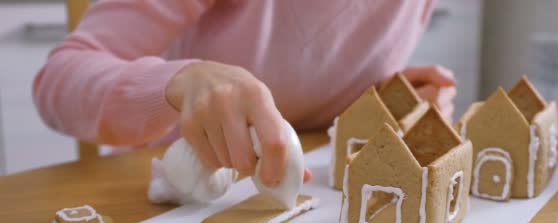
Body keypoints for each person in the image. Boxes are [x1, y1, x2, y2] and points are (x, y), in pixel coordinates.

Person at [34, 0, 456, 188]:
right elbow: (59, 78)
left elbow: (314, 65)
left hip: (318, 214)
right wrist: (177, 83)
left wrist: (386, 100)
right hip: (172, 199)